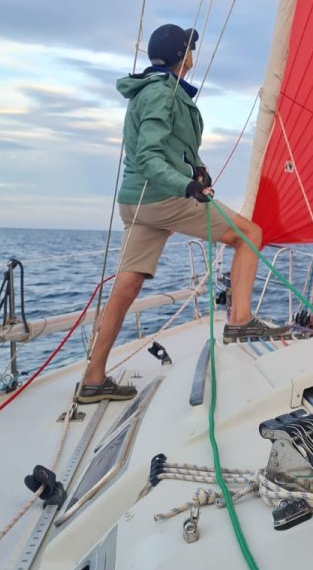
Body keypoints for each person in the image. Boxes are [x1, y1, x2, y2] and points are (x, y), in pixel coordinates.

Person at [79, 23, 288, 404]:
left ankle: (93, 378)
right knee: (249, 234)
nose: (194, 53)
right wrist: (186, 186)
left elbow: (172, 146)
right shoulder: (164, 94)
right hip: (162, 197)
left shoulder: (148, 90)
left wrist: (197, 169)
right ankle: (240, 320)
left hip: (137, 201)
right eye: (190, 48)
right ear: (182, 57)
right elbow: (150, 155)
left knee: (126, 286)